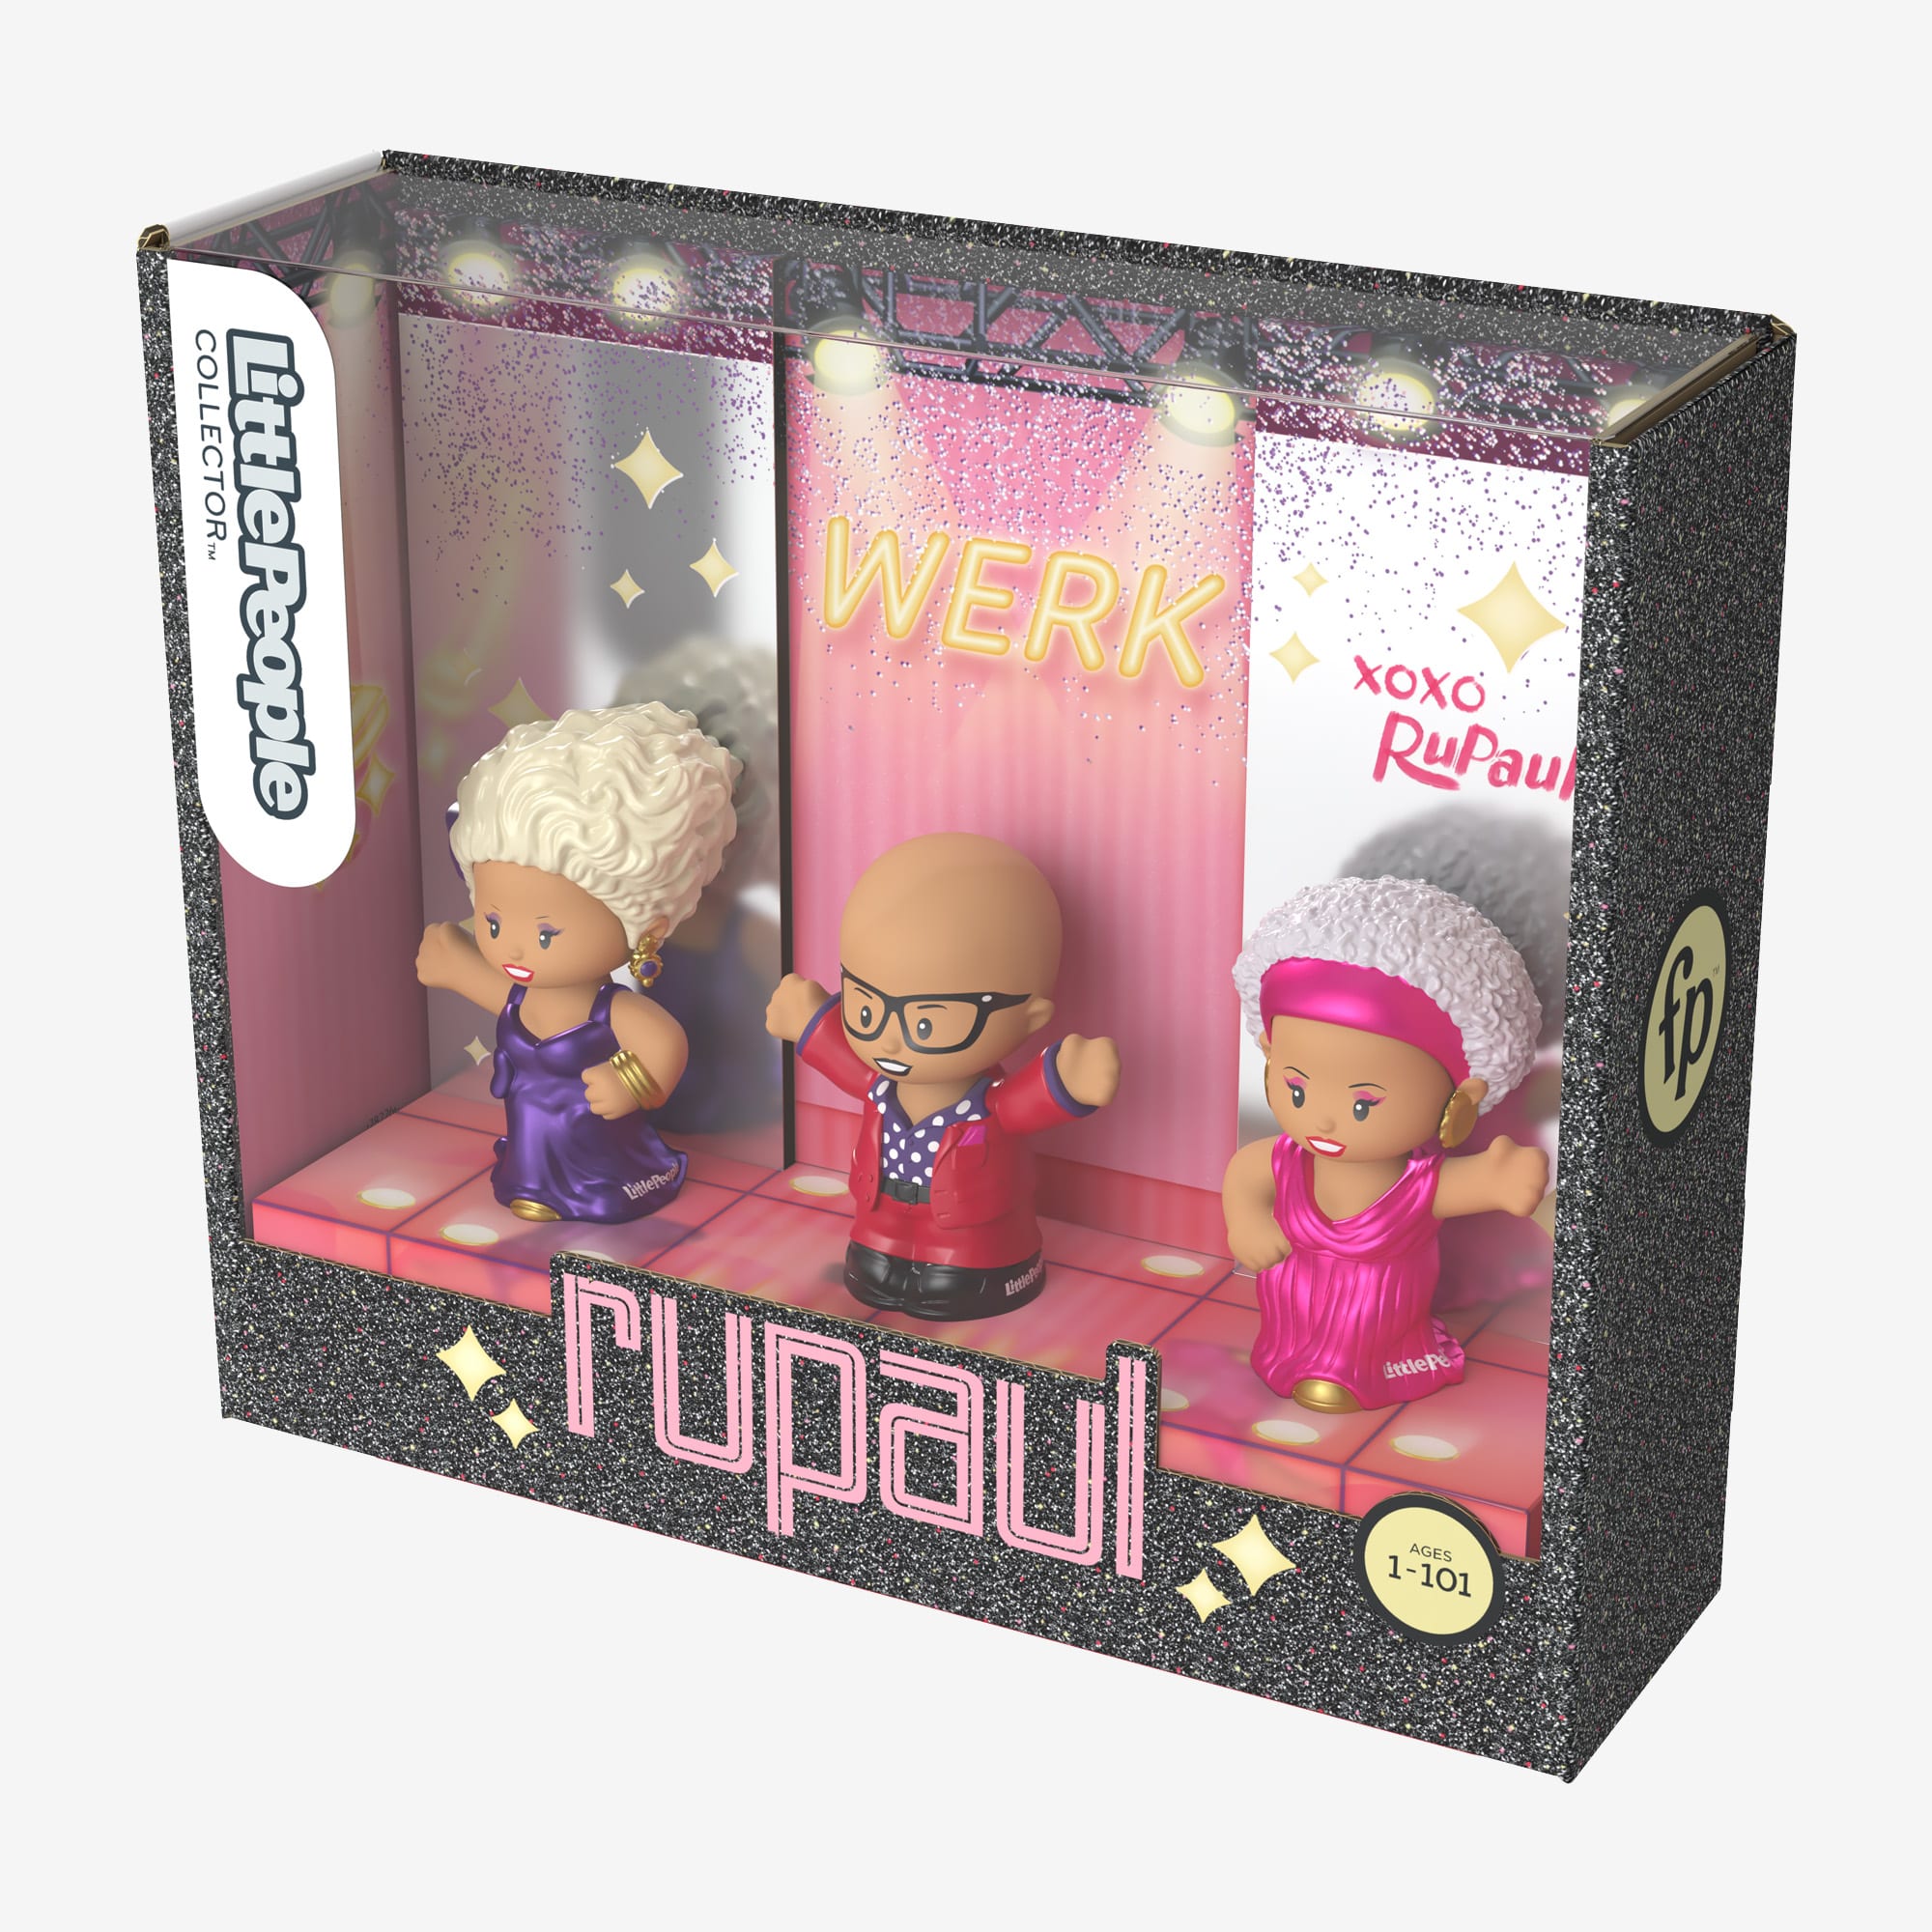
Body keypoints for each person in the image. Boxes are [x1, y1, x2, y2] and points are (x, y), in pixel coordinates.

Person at [1224, 876, 1547, 1412]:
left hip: (1380, 1316)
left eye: (1363, 1105)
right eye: (1297, 1089)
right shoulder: (1286, 1159)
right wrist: (1248, 1224)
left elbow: (1467, 1184)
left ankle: (1355, 1374)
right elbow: (1244, 1174)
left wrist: (1501, 1180)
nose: (1324, 1120)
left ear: (1458, 1099)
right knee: (1289, 1343)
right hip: (1291, 1303)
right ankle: (1294, 1358)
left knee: (1360, 1346)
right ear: (1269, 1053)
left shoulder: (1416, 1183)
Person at [765, 834, 1121, 1321]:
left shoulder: (987, 1104)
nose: (890, 1042)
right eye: (866, 1008)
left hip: (974, 1233)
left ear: (1030, 1018)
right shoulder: (879, 1086)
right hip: (879, 1213)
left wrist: (1067, 1080)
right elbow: (844, 1062)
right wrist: (811, 1022)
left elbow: (1025, 1100)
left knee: (956, 1275)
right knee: (875, 1265)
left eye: (928, 1023)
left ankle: (957, 1266)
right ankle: (885, 1254)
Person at [416, 703, 737, 1223]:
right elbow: (504, 997)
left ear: (646, 927)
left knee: (596, 1172)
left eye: (546, 934)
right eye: (493, 924)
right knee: (530, 1161)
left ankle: (581, 1189)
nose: (513, 950)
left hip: (599, 1148)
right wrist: (458, 968)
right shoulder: (526, 993)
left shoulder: (609, 1009)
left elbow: (665, 1044)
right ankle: (533, 1186)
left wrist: (629, 1084)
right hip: (531, 1133)